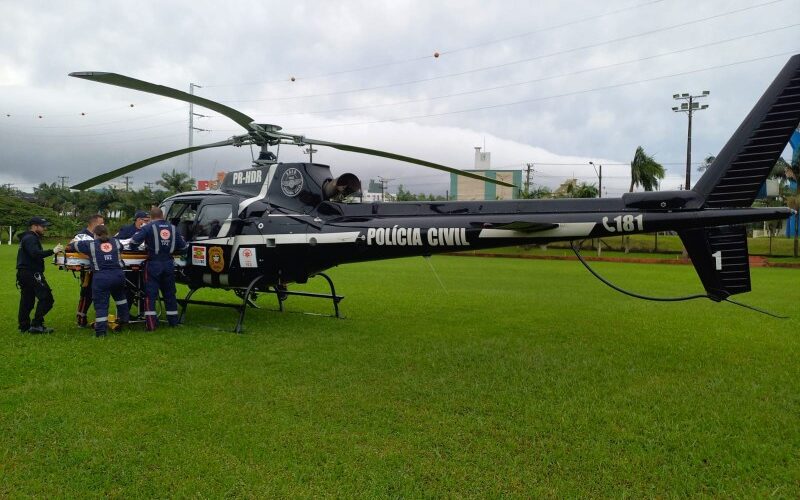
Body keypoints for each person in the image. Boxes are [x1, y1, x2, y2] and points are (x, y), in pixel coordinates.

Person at [130, 207, 187, 330]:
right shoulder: (173, 228)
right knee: (170, 294)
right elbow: (183, 247)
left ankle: (151, 325)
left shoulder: (148, 227)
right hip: (168, 264)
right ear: (163, 215)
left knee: (150, 295)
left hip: (153, 265)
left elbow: (133, 242)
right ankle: (173, 322)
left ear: (151, 217)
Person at [74, 225, 130, 337]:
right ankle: (124, 320)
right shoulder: (116, 242)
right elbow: (120, 249)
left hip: (102, 278)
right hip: (118, 276)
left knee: (101, 305)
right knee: (121, 299)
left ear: (95, 235)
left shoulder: (90, 245)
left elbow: (74, 245)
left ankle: (100, 332)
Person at [17, 217, 64, 334]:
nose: (45, 228)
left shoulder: (27, 238)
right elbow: (35, 254)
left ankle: (24, 326)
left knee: (27, 300)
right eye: (43, 226)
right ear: (34, 226)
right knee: (47, 298)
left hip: (24, 273)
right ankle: (36, 325)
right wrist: (52, 251)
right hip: (32, 273)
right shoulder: (30, 238)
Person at [67, 214, 104, 327]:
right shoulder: (82, 236)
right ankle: (81, 317)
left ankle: (101, 318)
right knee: (87, 293)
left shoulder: (100, 235)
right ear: (95, 223)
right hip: (89, 270)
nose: (103, 225)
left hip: (102, 269)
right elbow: (70, 247)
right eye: (102, 223)